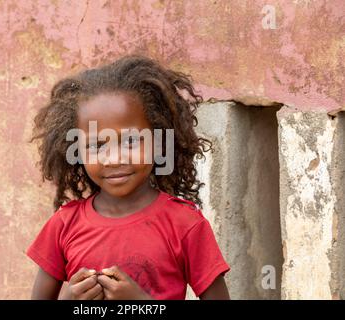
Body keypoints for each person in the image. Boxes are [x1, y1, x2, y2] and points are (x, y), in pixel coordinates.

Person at [27, 55, 230, 300]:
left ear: (159, 141)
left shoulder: (185, 225)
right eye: (96, 145)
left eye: (131, 141)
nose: (114, 159)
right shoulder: (63, 226)